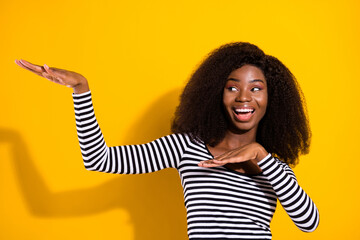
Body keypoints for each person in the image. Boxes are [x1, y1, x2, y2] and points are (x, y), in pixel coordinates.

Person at [15, 42, 319, 239]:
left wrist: (262, 157)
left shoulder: (273, 166)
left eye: (256, 88)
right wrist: (81, 90)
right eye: (232, 87)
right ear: (217, 93)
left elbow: (309, 222)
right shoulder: (187, 147)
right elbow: (99, 159)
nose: (243, 97)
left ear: (271, 98)